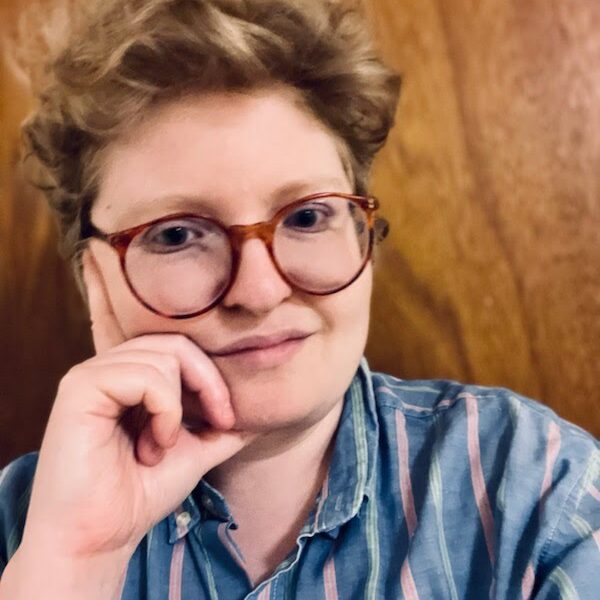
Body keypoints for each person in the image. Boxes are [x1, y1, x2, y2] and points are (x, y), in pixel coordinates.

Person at [0, 0, 598, 598]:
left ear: (364, 237)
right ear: (93, 279)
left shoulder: (540, 492)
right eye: (177, 234)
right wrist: (72, 567)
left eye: (307, 216)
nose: (258, 293)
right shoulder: (22, 528)